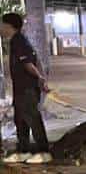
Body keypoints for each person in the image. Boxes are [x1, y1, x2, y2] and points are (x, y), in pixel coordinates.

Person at [1, 12, 50, 165]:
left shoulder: (19, 42)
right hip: (20, 89)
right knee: (20, 120)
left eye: (2, 25)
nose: (0, 28)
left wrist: (40, 78)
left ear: (9, 27)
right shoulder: (16, 40)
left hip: (27, 89)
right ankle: (24, 151)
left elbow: (28, 64)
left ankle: (44, 152)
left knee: (32, 119)